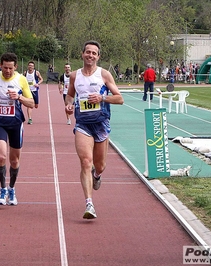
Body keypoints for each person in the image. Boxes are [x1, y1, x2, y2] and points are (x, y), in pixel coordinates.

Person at [64, 40, 124, 219]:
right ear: (82, 54)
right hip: (82, 124)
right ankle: (89, 204)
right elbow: (70, 96)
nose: (90, 55)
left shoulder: (104, 75)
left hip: (101, 124)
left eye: (94, 53)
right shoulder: (74, 76)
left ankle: (97, 175)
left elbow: (119, 98)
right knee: (85, 161)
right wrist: (68, 105)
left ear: (98, 57)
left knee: (100, 166)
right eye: (87, 52)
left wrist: (102, 98)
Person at [0, 52, 35, 206]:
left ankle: (12, 189)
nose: (7, 71)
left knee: (14, 161)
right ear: (0, 65)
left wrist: (19, 97)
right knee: (1, 157)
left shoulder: (21, 80)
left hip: (15, 124)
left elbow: (32, 103)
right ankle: (2, 189)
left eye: (10, 68)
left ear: (15, 67)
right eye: (5, 68)